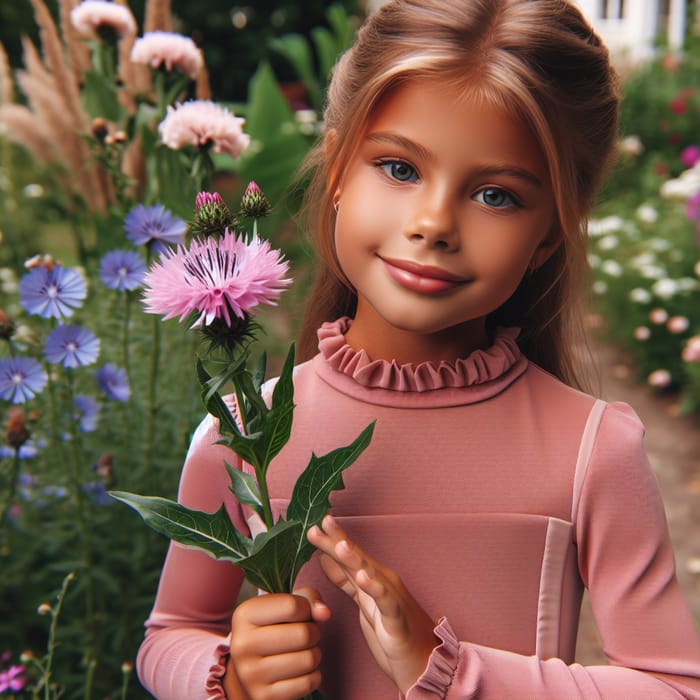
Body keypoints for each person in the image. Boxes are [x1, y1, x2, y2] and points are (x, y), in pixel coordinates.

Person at [136, 0, 700, 698]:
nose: (433, 224)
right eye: (400, 169)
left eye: (496, 194)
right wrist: (227, 673)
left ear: (551, 234)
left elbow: (673, 686)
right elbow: (171, 634)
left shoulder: (593, 450)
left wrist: (455, 675)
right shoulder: (240, 434)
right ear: (338, 169)